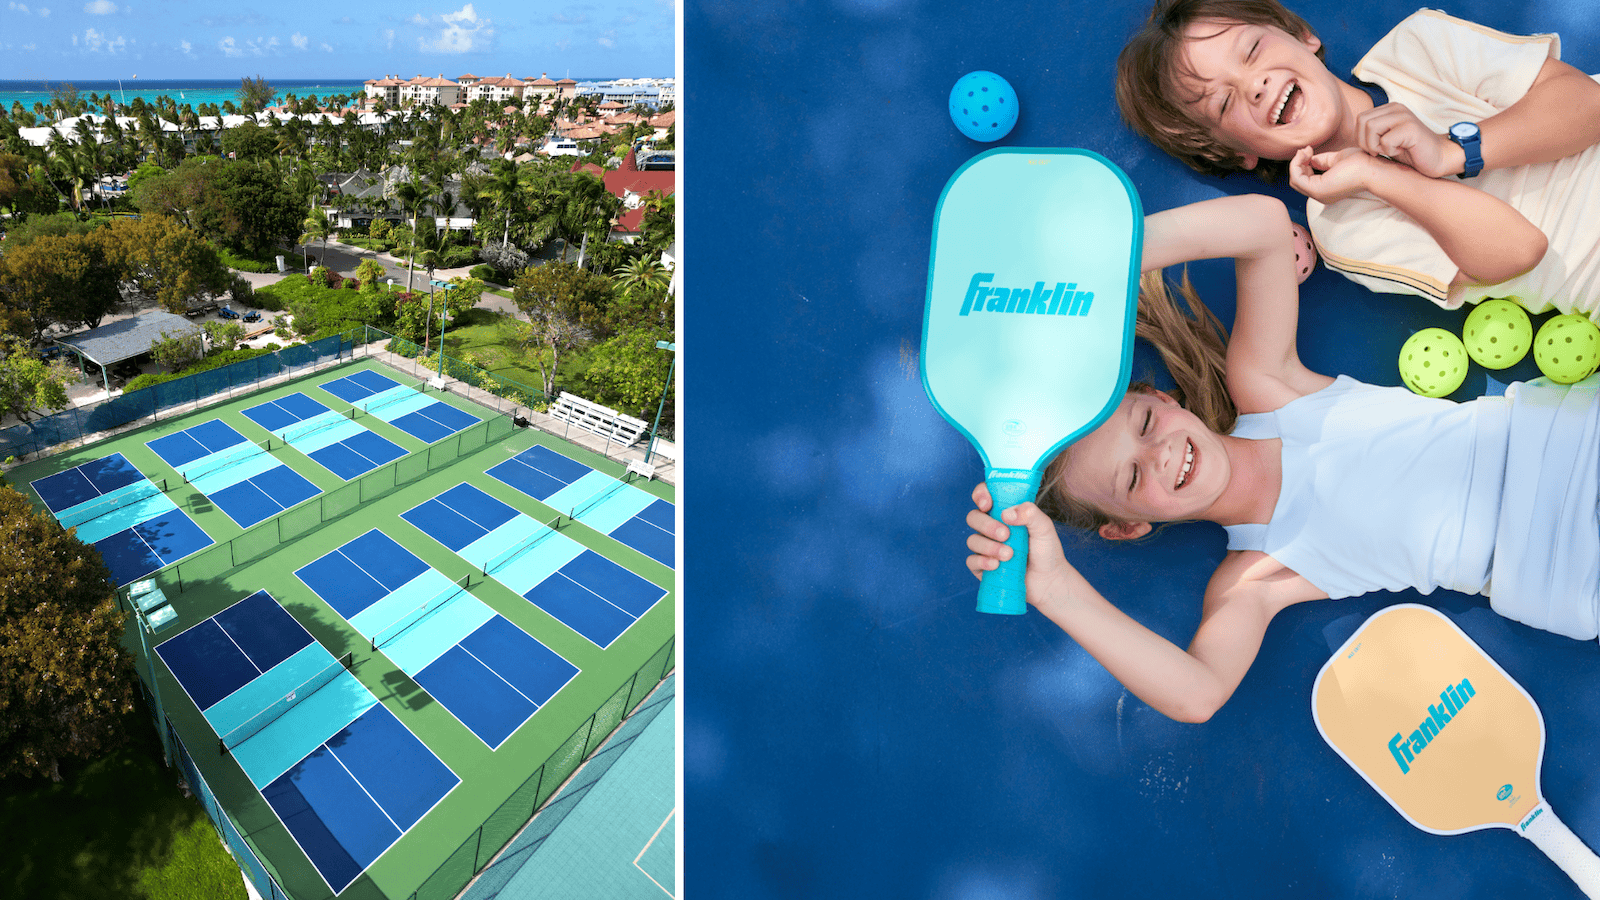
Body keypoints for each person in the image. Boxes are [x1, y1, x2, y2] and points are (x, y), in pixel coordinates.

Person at [962, 192, 1600, 723]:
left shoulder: (1267, 387)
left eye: (1146, 424)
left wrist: (1102, 262)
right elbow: (1197, 694)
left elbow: (1263, 227)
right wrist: (1056, 589)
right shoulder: (1253, 578)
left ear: (1162, 399)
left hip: (1566, 441)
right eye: (1131, 478)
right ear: (1129, 527)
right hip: (1559, 571)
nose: (1160, 454)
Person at [1115, 0, 1600, 318]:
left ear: (1301, 34)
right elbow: (1520, 249)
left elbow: (1589, 107)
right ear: (1234, 152)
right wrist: (1379, 175)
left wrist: (1449, 151)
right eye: (1224, 103)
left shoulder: (1417, 48)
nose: (1254, 85)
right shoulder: (1341, 227)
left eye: (1253, 51)